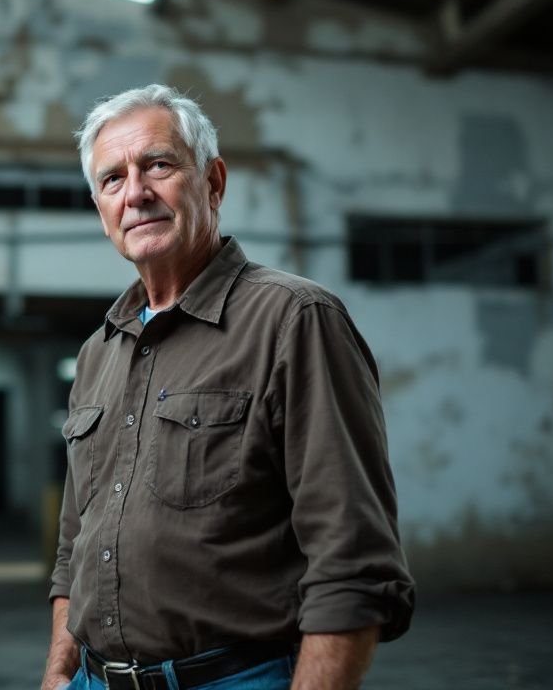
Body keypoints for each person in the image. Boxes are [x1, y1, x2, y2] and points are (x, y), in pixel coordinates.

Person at [40, 84, 414, 690]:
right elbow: (75, 548)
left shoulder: (295, 320)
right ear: (101, 207)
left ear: (213, 182)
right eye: (112, 180)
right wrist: (58, 671)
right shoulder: (96, 352)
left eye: (158, 165)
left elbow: (352, 560)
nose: (135, 193)